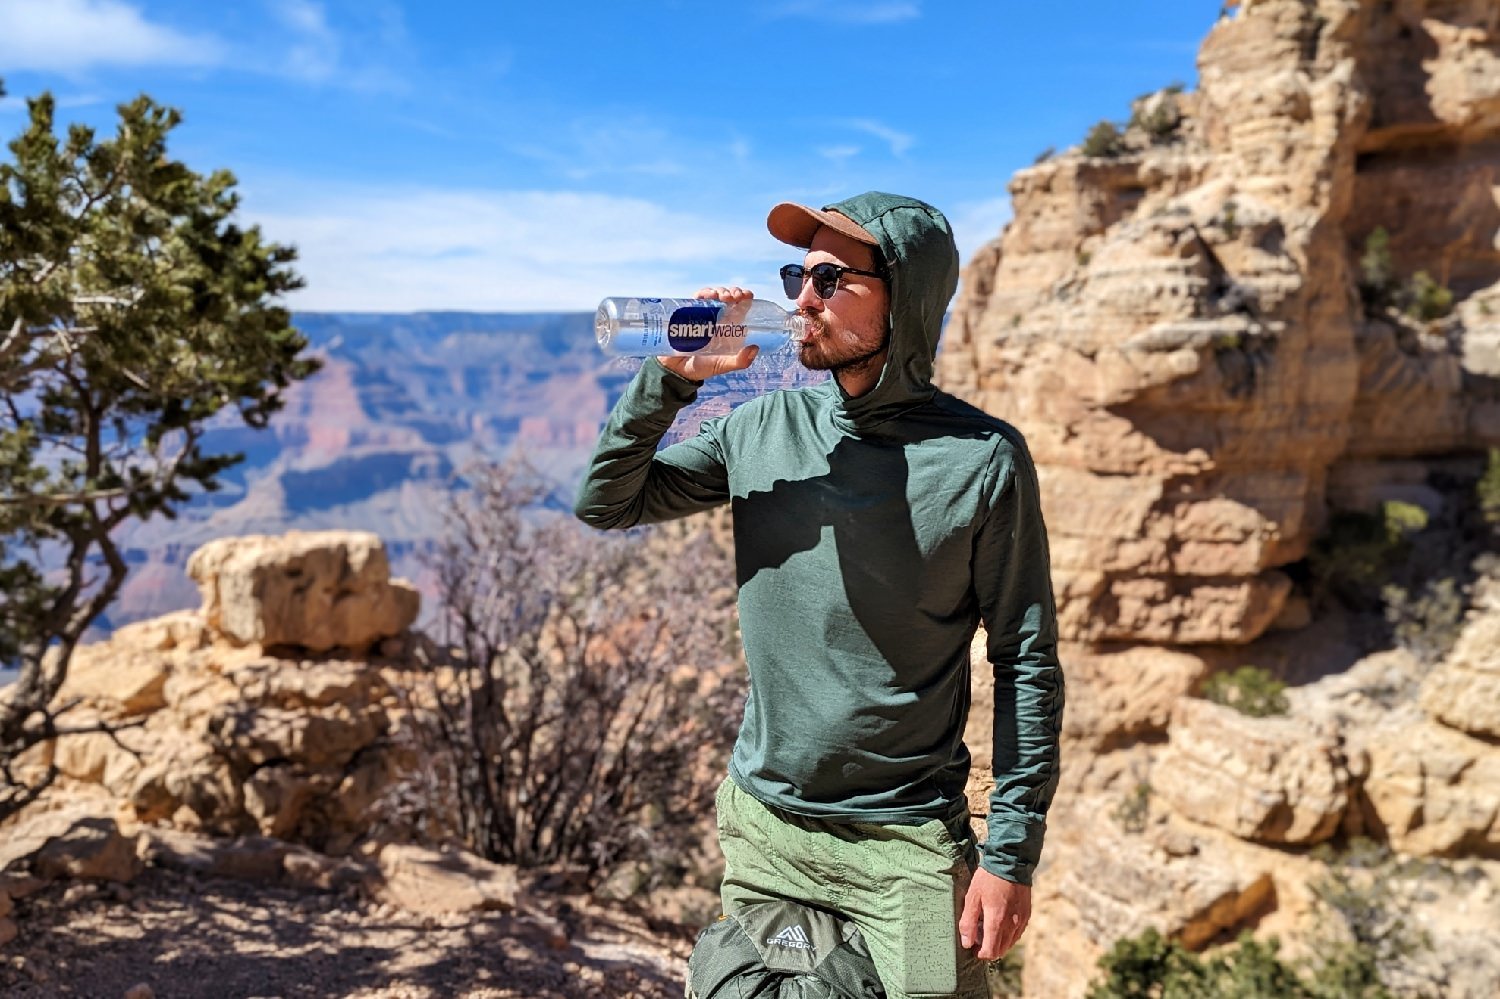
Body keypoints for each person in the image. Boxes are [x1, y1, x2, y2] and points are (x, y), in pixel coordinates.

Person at [574, 192, 1063, 999]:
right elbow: (608, 500)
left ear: (902, 298)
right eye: (797, 276)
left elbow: (1027, 662)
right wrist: (671, 381)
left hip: (903, 842)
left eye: (831, 279)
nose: (802, 300)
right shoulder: (761, 428)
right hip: (767, 828)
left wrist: (1009, 855)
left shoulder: (982, 460)